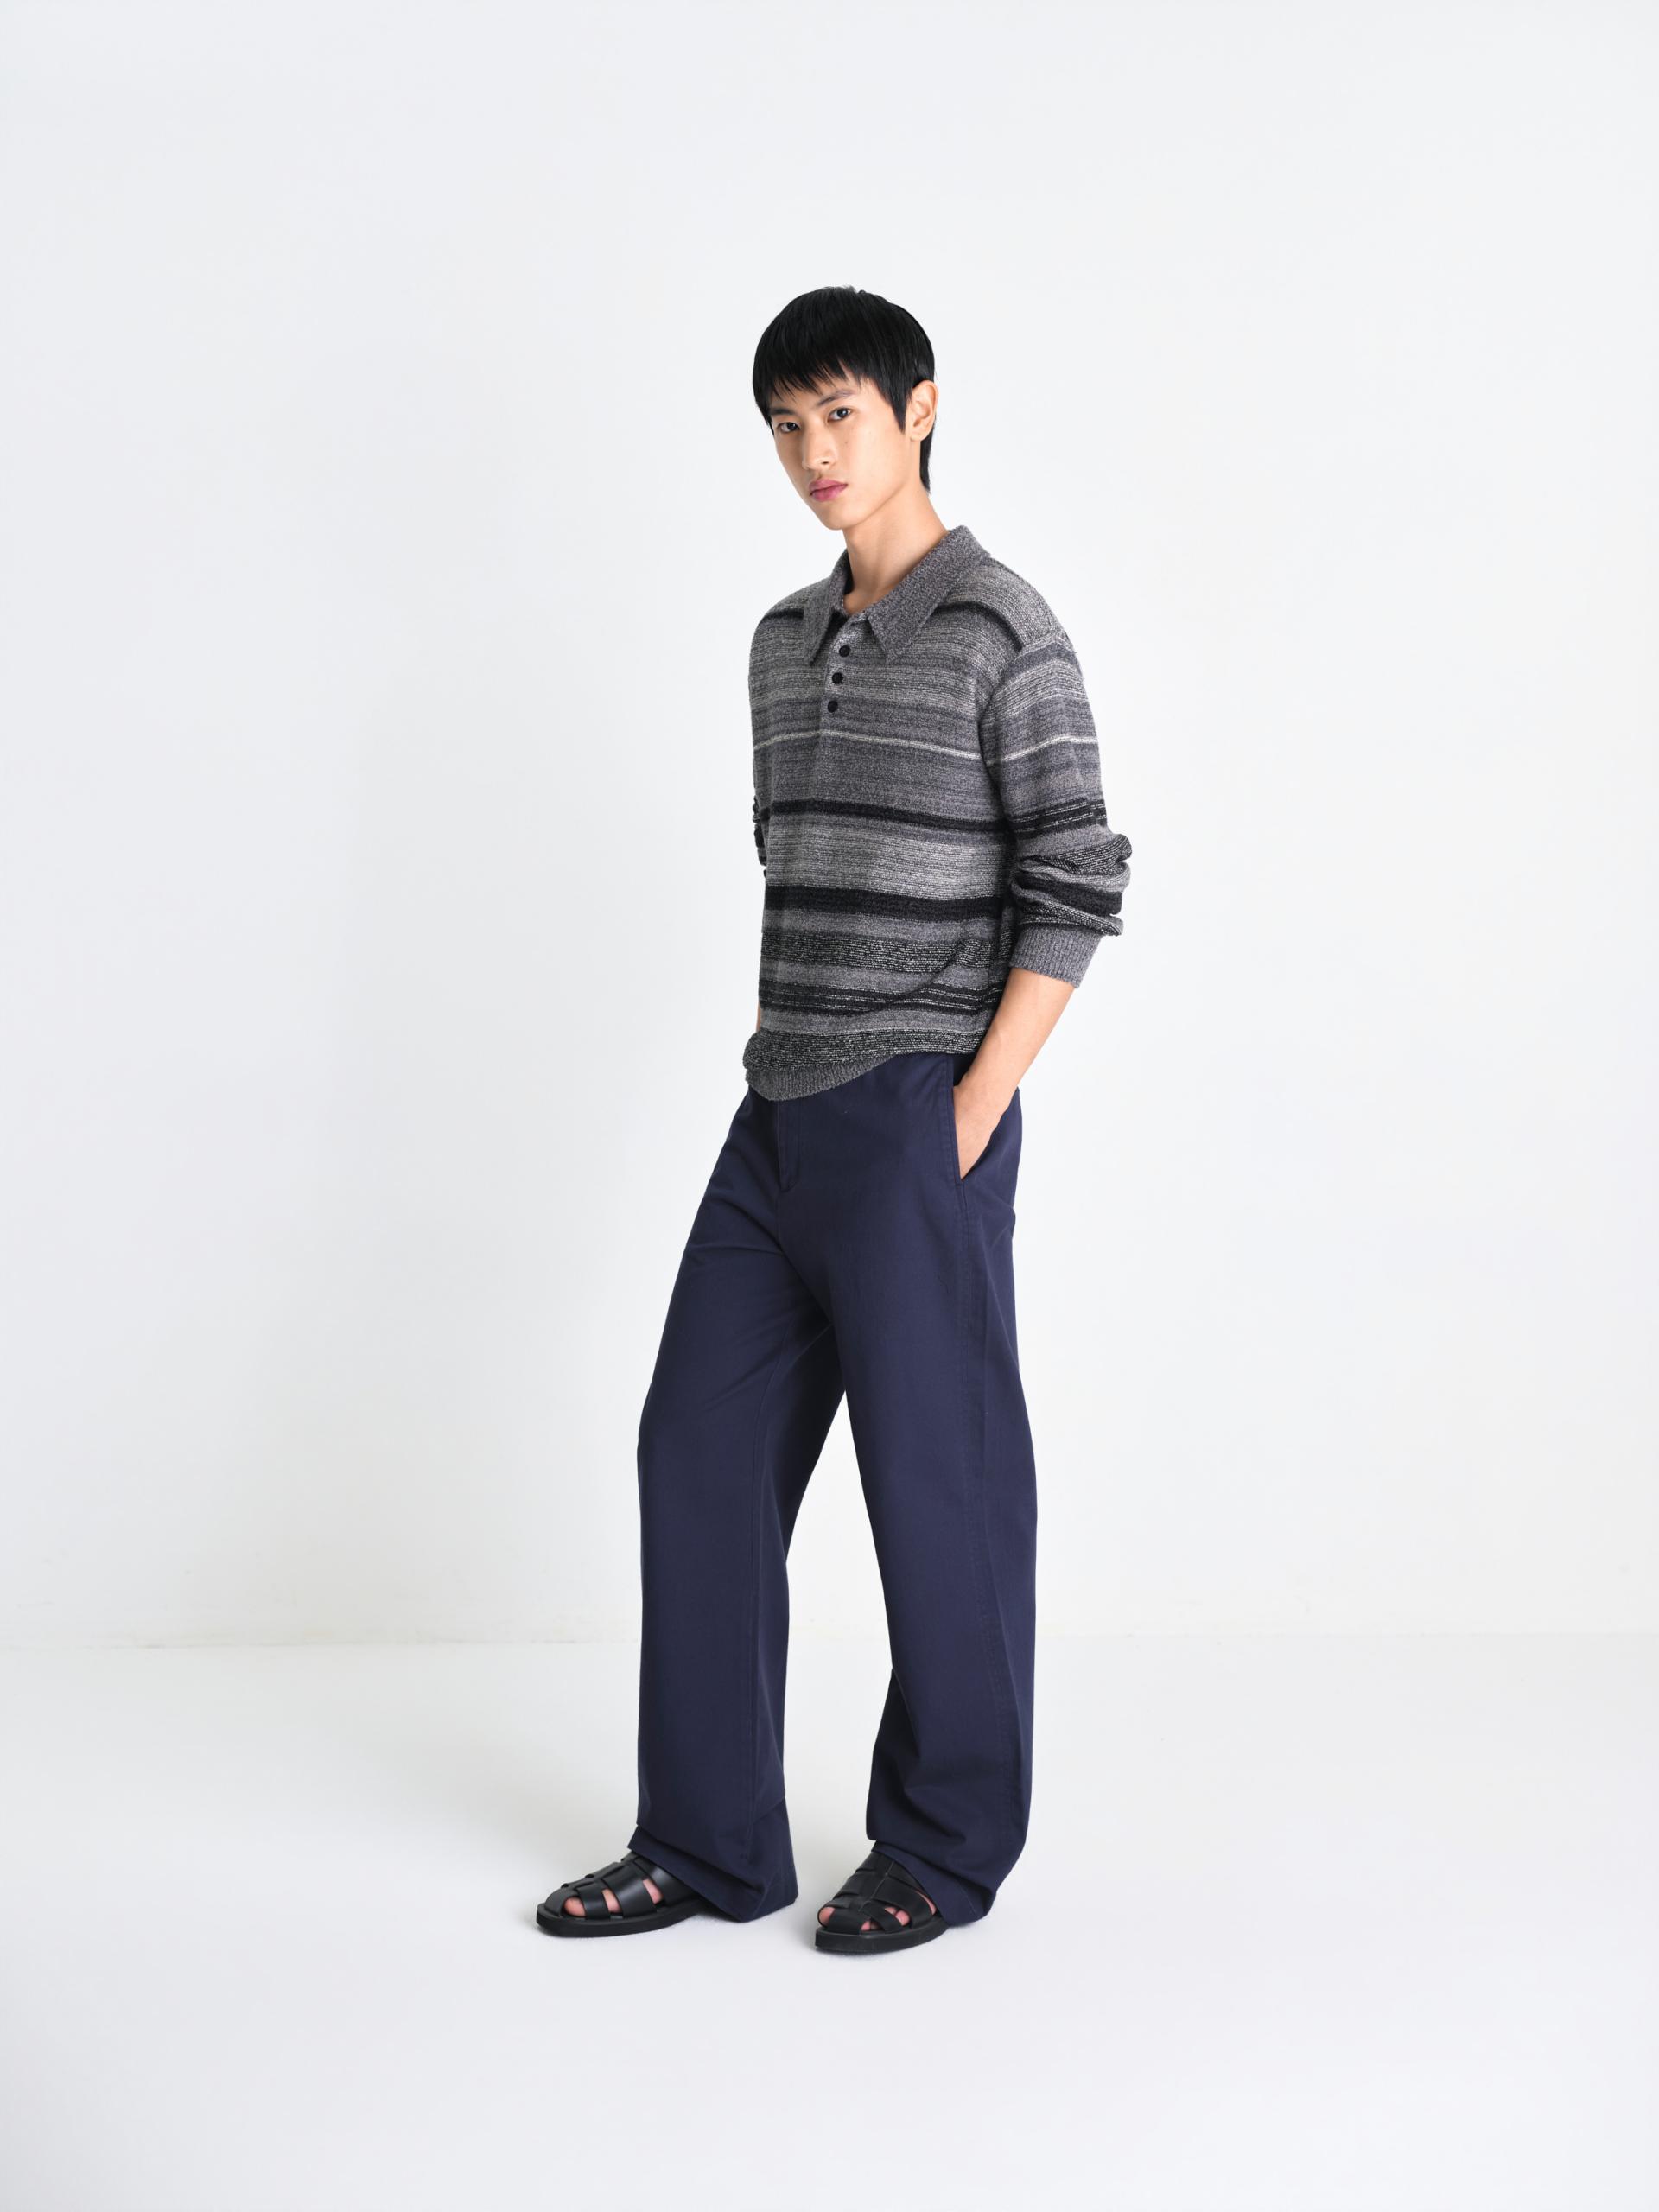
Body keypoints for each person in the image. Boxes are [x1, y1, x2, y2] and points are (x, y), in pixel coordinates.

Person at [537, 285, 1133, 1954]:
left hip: (917, 1113)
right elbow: (792, 857)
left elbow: (1079, 878)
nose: (815, 452)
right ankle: (707, 1842)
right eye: (787, 426)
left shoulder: (1003, 629)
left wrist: (970, 1108)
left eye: (842, 415)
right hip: (777, 1111)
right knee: (696, 1451)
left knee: (938, 1491)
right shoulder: (777, 642)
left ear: (918, 410)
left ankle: (944, 1845)